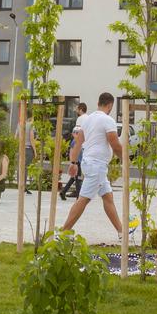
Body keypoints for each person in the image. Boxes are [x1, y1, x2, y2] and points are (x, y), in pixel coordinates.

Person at [61, 92, 125, 241]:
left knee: (108, 197)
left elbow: (78, 143)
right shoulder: (108, 120)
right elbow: (115, 144)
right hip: (97, 166)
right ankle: (63, 233)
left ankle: (122, 232)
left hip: (91, 164)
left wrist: (73, 163)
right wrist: (125, 160)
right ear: (110, 105)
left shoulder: (88, 120)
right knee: (83, 199)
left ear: (98, 102)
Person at [60, 102, 89, 200]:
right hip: (83, 146)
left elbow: (76, 133)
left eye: (77, 109)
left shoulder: (80, 119)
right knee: (78, 171)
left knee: (77, 171)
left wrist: (75, 144)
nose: (76, 111)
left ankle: (69, 192)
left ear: (81, 109)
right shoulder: (88, 118)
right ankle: (76, 194)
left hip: (78, 145)